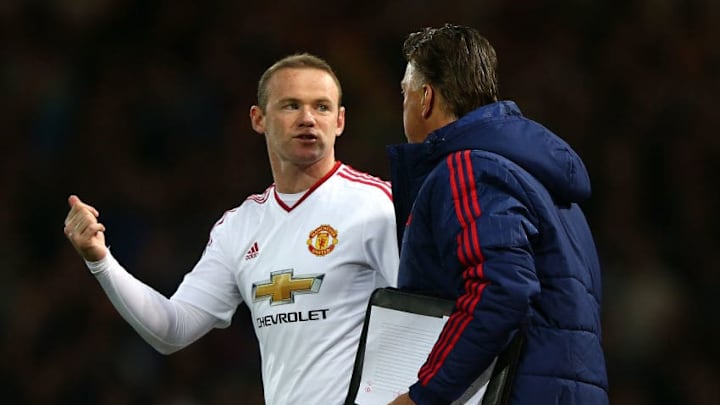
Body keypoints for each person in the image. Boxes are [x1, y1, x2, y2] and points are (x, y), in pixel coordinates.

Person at [63, 53, 399, 405]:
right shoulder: (239, 227)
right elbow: (172, 329)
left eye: (322, 107)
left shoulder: (376, 206)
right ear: (258, 119)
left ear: (340, 121)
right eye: (290, 106)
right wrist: (100, 259)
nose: (308, 119)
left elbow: (437, 313)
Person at [386, 24, 608, 404]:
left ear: (425, 98)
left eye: (405, 93)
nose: (403, 104)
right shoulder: (544, 181)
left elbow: (500, 289)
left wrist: (424, 396)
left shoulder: (469, 170)